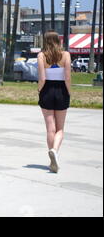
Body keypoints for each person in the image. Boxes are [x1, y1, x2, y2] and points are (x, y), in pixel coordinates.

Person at [37, 30, 71, 173]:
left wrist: (39, 91)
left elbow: (42, 79)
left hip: (47, 91)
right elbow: (68, 77)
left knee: (50, 128)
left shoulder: (41, 55)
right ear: (58, 40)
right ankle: (55, 151)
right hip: (62, 90)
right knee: (60, 129)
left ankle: (52, 156)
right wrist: (68, 92)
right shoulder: (66, 55)